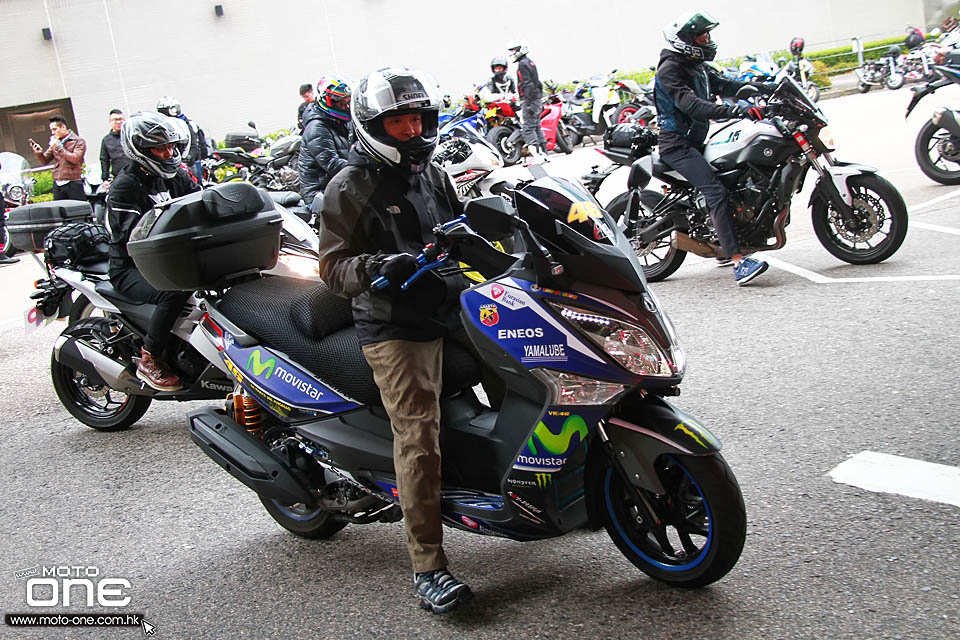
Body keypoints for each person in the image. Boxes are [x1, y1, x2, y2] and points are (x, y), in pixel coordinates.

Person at [316, 67, 473, 614]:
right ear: (372, 126)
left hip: (455, 303)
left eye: (417, 120)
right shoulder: (349, 187)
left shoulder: (434, 172)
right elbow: (333, 269)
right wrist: (380, 264)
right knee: (418, 434)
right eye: (399, 122)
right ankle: (428, 566)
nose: (412, 130)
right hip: (395, 322)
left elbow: (462, 230)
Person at [655, 10, 770, 285]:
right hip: (676, 145)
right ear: (684, 40)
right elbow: (691, 105)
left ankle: (722, 239)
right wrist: (737, 111)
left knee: (734, 179)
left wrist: (766, 88)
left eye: (707, 34)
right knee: (715, 191)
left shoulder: (696, 65)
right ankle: (737, 262)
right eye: (701, 34)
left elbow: (728, 85)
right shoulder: (670, 69)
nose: (707, 39)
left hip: (694, 141)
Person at [106, 112, 200, 391]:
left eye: (171, 146)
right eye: (160, 148)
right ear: (141, 150)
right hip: (132, 267)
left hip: (172, 259)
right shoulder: (126, 185)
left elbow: (202, 200)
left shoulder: (175, 176)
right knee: (174, 290)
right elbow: (131, 237)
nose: (168, 153)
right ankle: (150, 357)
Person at [298, 75, 353, 211]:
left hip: (340, 185)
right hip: (321, 193)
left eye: (348, 102)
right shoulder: (317, 127)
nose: (345, 107)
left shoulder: (340, 121)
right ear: (327, 101)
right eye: (341, 103)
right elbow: (331, 163)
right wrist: (365, 169)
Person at [507, 41, 548, 165]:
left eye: (514, 51)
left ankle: (536, 155)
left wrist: (528, 102)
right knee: (536, 127)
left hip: (529, 99)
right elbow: (537, 83)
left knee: (528, 129)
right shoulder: (530, 62)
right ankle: (544, 154)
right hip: (536, 98)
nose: (513, 54)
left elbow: (527, 84)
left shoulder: (523, 65)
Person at [30, 116, 87, 201]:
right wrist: (39, 153)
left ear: (63, 127)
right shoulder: (56, 142)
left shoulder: (78, 141)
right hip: (58, 181)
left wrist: (58, 147)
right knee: (59, 210)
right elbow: (45, 160)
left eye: (55, 129)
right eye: (51, 130)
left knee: (77, 209)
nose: (53, 133)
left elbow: (76, 159)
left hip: (73, 181)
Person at [156, 96, 208, 181]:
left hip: (191, 161)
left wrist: (190, 156)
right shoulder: (162, 127)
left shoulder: (187, 124)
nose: (164, 114)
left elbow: (195, 143)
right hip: (173, 163)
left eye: (166, 110)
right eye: (162, 111)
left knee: (197, 185)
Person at [99, 109, 129, 188]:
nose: (118, 122)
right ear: (110, 121)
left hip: (136, 174)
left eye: (120, 119)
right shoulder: (106, 140)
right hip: (119, 176)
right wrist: (105, 179)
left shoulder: (130, 135)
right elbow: (104, 160)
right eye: (115, 120)